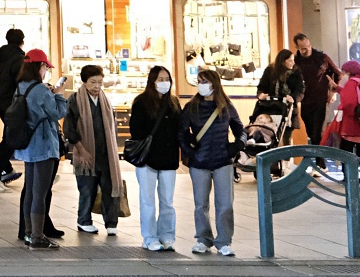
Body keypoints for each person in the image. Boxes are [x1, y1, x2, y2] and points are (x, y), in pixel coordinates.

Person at [180, 68, 244, 257]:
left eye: (205, 81)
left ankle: (224, 241)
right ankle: (203, 239)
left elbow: (240, 130)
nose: (201, 85)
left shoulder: (226, 106)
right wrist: (189, 150)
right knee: (201, 204)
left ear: (215, 84)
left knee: (225, 204)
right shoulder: (191, 107)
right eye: (199, 81)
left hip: (223, 161)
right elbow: (181, 132)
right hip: (199, 162)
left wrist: (236, 147)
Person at [13, 49, 68, 250]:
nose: (46, 70)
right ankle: (37, 236)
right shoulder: (41, 90)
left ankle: (29, 233)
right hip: (44, 145)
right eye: (45, 67)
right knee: (40, 193)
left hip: (28, 145)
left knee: (30, 190)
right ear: (40, 66)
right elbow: (57, 113)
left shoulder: (20, 87)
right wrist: (59, 95)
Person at [64, 64, 123, 236]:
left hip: (105, 153)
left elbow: (111, 127)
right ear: (84, 82)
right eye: (93, 82)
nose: (97, 86)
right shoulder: (75, 100)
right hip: (86, 152)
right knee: (87, 189)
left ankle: (111, 222)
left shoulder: (105, 100)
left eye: (100, 82)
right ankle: (84, 221)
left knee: (109, 188)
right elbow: (69, 128)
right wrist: (82, 150)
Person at [129, 65, 181, 252]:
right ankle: (149, 237)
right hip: (147, 159)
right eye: (160, 79)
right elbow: (136, 130)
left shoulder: (174, 102)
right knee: (148, 200)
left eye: (167, 79)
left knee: (167, 201)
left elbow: (179, 129)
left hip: (169, 158)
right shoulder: (141, 102)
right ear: (152, 81)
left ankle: (167, 236)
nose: (164, 83)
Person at [0, 29, 27, 192]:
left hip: (2, 105)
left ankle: (0, 175)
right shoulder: (19, 59)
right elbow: (22, 82)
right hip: (15, 105)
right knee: (10, 141)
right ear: (22, 41)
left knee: (10, 139)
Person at [294, 33, 341, 157]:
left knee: (318, 132)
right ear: (297, 48)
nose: (307, 50)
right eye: (303, 49)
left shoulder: (322, 57)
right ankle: (317, 160)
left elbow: (338, 73)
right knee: (310, 133)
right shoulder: (295, 61)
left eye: (308, 46)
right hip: (305, 101)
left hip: (320, 99)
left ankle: (320, 162)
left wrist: (333, 91)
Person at [334, 61, 360, 177]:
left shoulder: (352, 83)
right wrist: (338, 89)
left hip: (352, 124)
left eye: (344, 72)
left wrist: (341, 109)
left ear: (349, 72)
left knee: (346, 150)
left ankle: (348, 175)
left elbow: (349, 103)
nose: (343, 75)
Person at [255, 49, 304, 133]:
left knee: (286, 135)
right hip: (270, 107)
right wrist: (261, 94)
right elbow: (262, 87)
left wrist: (293, 98)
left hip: (288, 109)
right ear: (283, 61)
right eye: (290, 61)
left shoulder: (296, 72)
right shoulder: (270, 71)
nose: (293, 63)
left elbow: (300, 90)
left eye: (293, 60)